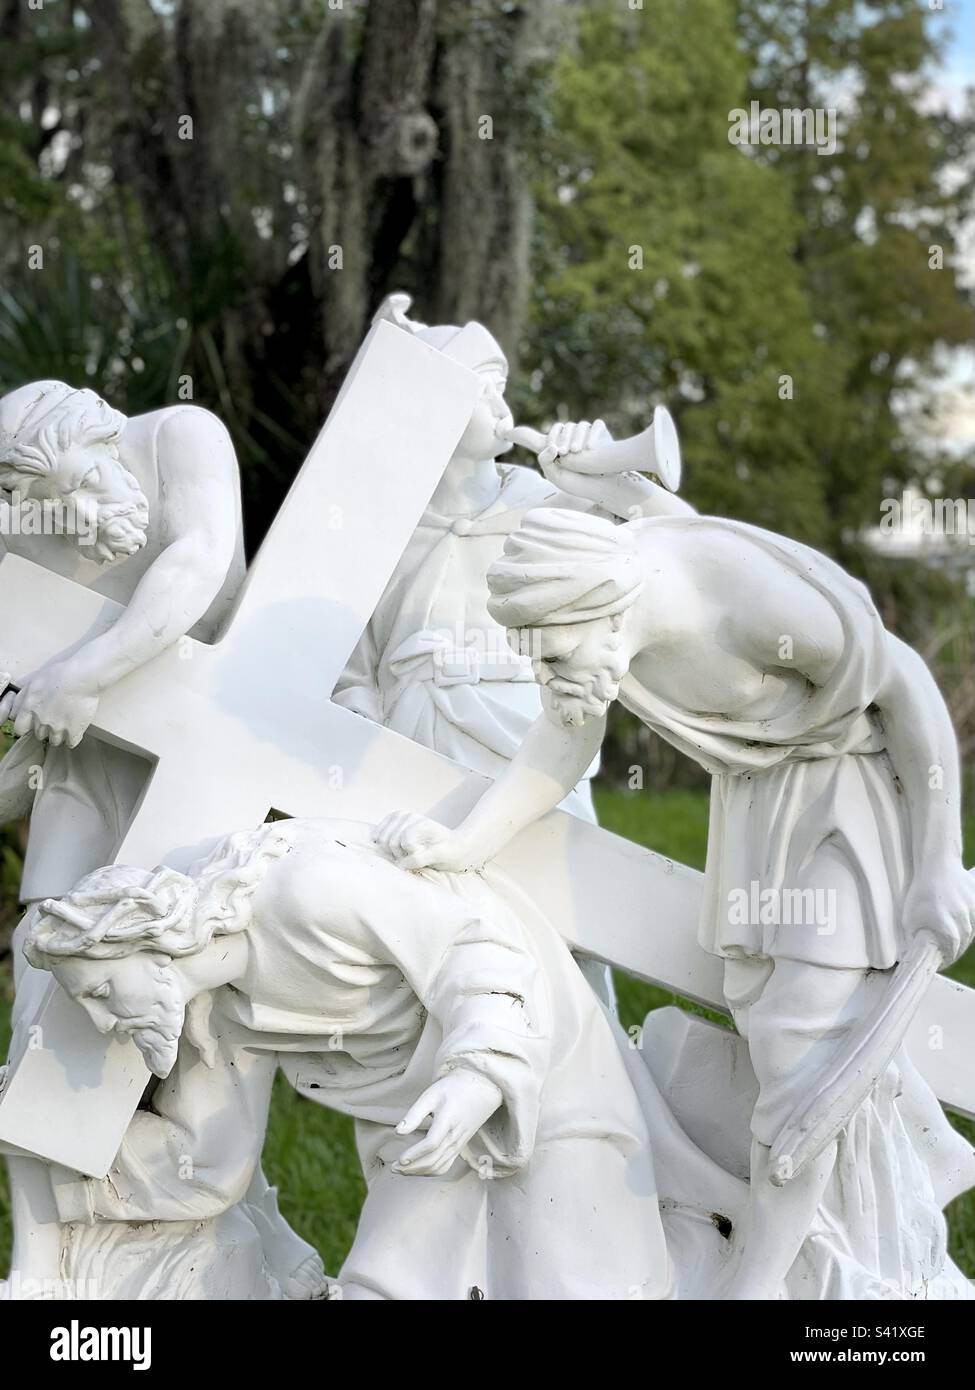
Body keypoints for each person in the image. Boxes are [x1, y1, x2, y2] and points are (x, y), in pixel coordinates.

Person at [375, 506, 975, 1299]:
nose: (550, 678)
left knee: (804, 1065)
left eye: (556, 656)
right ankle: (846, 1237)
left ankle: (754, 1285)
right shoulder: (594, 626)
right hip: (758, 812)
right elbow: (561, 739)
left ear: (607, 607)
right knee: (782, 1049)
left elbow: (907, 693)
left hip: (851, 812)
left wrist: (938, 859)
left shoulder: (743, 600)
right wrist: (467, 843)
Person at [23, 817, 742, 1300]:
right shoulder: (215, 1013)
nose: (98, 1018)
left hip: (532, 1074)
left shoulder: (307, 892)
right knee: (386, 1283)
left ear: (145, 940)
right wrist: (48, 1155)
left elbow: (480, 952)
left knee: (578, 1280)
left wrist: (475, 1078)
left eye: (99, 990)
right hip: (422, 1133)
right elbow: (212, 1163)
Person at [335, 295, 692, 1003]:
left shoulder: (543, 499)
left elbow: (685, 541)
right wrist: (373, 749)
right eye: (480, 389)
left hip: (529, 750)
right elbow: (350, 669)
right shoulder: (380, 532)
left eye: (502, 388)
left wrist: (608, 481)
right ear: (426, 403)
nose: (501, 406)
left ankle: (603, 1095)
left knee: (570, 943)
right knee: (434, 950)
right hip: (415, 757)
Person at [0, 379, 246, 1291]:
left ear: (102, 436)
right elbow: (27, 712)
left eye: (81, 491)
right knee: (42, 979)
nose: (79, 526)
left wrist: (83, 671)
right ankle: (41, 1261)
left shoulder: (183, 435)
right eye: (49, 515)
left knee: (199, 1024)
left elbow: (200, 562)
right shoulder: (19, 532)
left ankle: (228, 1239)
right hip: (89, 772)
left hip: (212, 770)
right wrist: (55, 697)